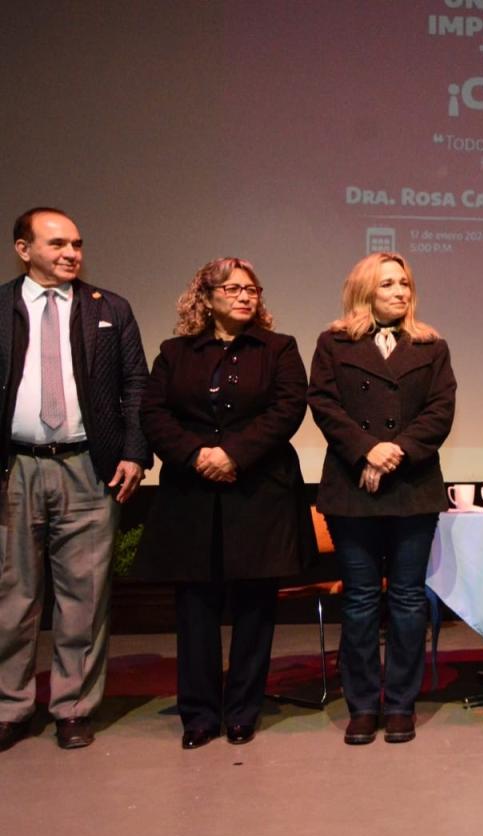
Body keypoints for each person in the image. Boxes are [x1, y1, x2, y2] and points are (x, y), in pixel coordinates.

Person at [135, 258, 313, 749]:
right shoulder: (175, 352)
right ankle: (198, 714)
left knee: (255, 608)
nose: (244, 296)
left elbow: (287, 408)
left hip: (259, 491)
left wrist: (233, 454)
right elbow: (154, 411)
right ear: (207, 297)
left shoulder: (278, 348)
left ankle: (242, 711)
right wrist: (197, 455)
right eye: (232, 288)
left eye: (251, 289)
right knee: (195, 607)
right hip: (191, 494)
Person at [0, 207, 149, 752]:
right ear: (23, 249)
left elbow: (136, 385)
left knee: (83, 598)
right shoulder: (1, 306)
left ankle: (74, 707)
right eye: (57, 243)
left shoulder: (110, 308)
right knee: (11, 597)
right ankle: (9, 708)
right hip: (14, 468)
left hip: (87, 466)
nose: (71, 254)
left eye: (77, 244)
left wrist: (134, 452)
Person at [308, 251, 456, 745]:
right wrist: (366, 450)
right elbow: (324, 405)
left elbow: (440, 410)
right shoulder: (333, 343)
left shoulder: (431, 345)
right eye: (388, 283)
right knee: (361, 599)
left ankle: (400, 704)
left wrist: (396, 452)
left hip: (412, 487)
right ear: (365, 290)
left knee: (408, 599)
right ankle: (363, 704)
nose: (400, 292)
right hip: (352, 488)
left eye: (405, 283)